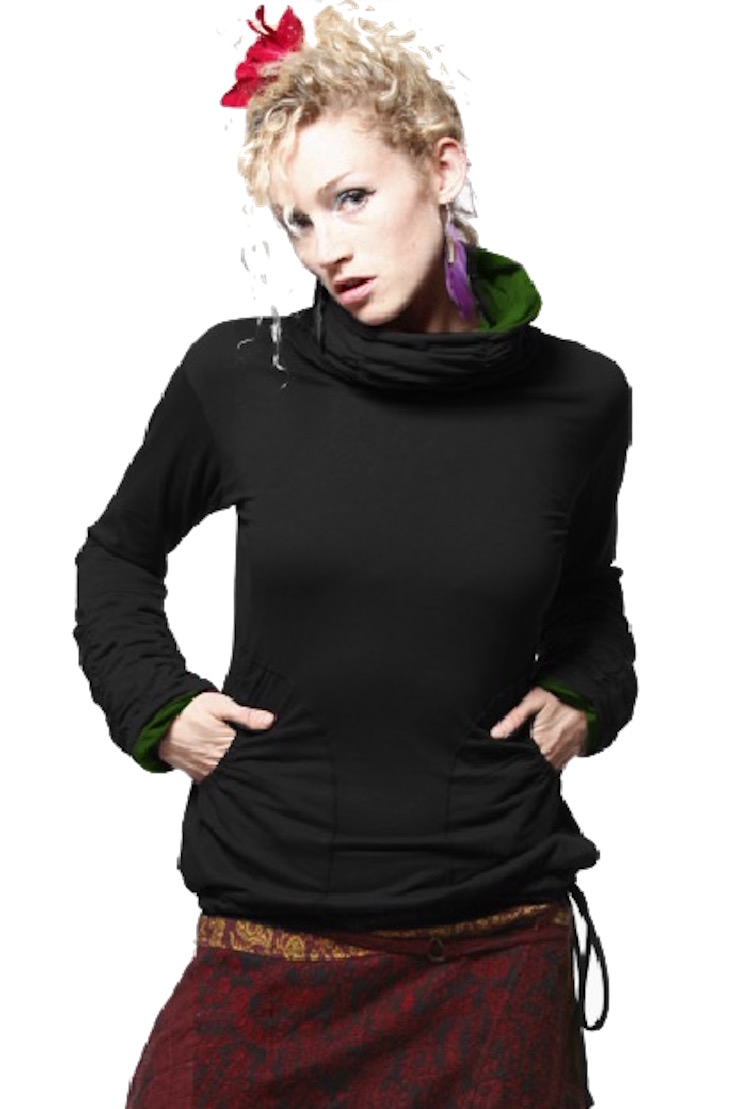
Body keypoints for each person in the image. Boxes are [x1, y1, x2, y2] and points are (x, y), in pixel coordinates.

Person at [73, 6, 636, 1107]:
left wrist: (589, 688)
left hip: (495, 950)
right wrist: (155, 704)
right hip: (269, 934)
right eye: (296, 220)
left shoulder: (580, 398)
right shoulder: (242, 376)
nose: (324, 248)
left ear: (442, 165)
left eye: (350, 198)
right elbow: (117, 555)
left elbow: (588, 602)